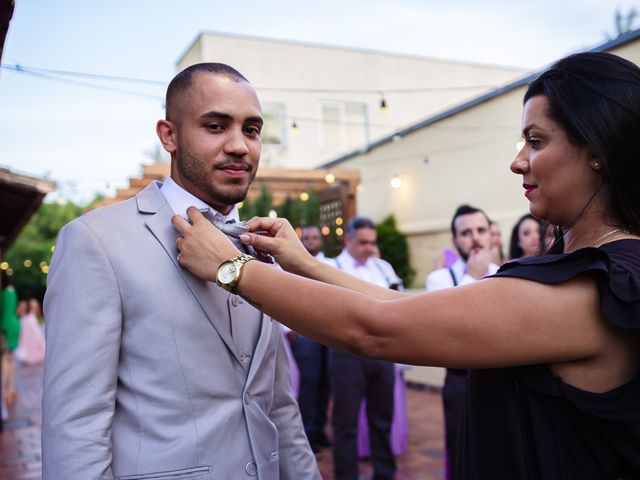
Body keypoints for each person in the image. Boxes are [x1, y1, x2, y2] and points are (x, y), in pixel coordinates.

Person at [173, 52, 640, 479]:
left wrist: (233, 269)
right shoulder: (572, 270)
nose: (518, 162)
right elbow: (407, 308)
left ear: (597, 148)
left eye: (536, 141)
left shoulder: (603, 286)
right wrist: (301, 263)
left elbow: (379, 329)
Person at [43, 63, 319, 479]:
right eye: (215, 126)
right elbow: (76, 424)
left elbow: (278, 404)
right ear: (168, 135)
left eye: (252, 129)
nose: (240, 145)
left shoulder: (262, 246)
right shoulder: (95, 241)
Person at [425, 204, 498, 479]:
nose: (475, 238)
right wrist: (472, 278)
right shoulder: (440, 279)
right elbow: (447, 327)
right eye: (466, 233)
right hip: (460, 383)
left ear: (491, 235)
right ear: (455, 241)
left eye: (481, 230)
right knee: (461, 454)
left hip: (502, 379)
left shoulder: (508, 273)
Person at [327, 216, 401, 480]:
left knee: (382, 420)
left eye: (372, 242)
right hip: (347, 354)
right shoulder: (330, 266)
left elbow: (399, 300)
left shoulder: (383, 267)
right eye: (363, 242)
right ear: (348, 240)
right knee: (345, 424)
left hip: (383, 352)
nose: (369, 248)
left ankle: (385, 474)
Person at [289, 226, 332, 452]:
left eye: (315, 238)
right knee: (310, 384)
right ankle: (307, 435)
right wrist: (288, 330)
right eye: (307, 238)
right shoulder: (290, 264)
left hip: (331, 336)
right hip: (305, 335)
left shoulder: (332, 266)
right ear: (301, 241)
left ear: (321, 241)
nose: (311, 242)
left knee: (326, 384)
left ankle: (320, 429)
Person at [1, 270, 20, 415]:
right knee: (10, 358)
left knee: (4, 359)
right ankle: (11, 387)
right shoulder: (12, 291)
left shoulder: (2, 294)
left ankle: (5, 389)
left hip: (5, 325)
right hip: (14, 323)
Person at [15, 292, 45, 365]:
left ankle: (27, 357)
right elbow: (38, 313)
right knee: (35, 340)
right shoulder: (34, 302)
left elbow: (17, 313)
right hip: (32, 321)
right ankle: (36, 356)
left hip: (24, 322)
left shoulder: (21, 304)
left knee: (26, 340)